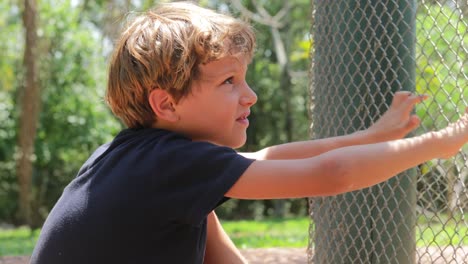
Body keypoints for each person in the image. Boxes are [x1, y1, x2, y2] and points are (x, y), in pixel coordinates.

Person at [30, 1, 468, 264]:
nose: (251, 96)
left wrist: (373, 135)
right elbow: (333, 174)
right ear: (166, 103)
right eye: (229, 82)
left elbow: (270, 159)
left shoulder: (145, 162)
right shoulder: (170, 164)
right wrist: (437, 144)